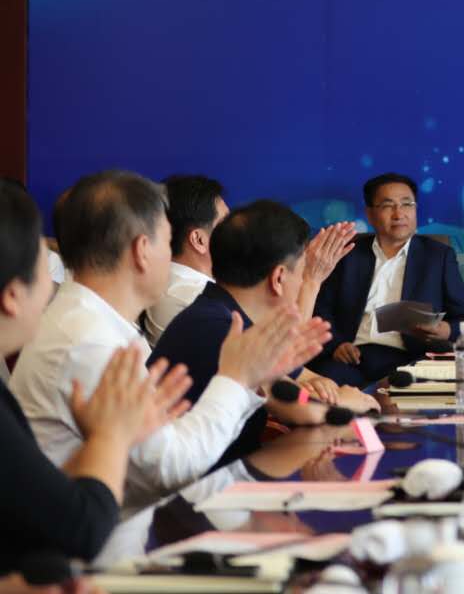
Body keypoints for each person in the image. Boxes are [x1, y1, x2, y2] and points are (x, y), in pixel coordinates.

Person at [11, 171, 326, 565]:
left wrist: (249, 380)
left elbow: (163, 453)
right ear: (143, 249)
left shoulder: (96, 323)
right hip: (101, 566)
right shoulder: (90, 340)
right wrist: (237, 379)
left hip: (131, 536)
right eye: (166, 240)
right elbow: (171, 467)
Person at [0, 180, 194, 579]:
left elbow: (39, 510)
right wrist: (111, 436)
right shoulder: (87, 337)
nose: (55, 285)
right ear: (13, 296)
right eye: (45, 265)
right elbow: (81, 529)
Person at [151, 201, 374, 466]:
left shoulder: (220, 310)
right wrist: (351, 400)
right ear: (278, 278)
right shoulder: (220, 326)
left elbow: (290, 383)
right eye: (302, 271)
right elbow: (302, 411)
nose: (303, 281)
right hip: (207, 484)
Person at [306, 173, 464, 387]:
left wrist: (446, 330)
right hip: (352, 357)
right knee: (322, 389)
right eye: (388, 205)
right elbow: (321, 309)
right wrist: (337, 345)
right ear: (370, 214)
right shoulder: (347, 254)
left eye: (407, 204)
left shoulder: (438, 257)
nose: (399, 214)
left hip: (410, 358)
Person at [142, 175, 226, 344]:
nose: (236, 233)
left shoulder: (175, 284)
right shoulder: (192, 297)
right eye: (226, 224)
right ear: (199, 240)